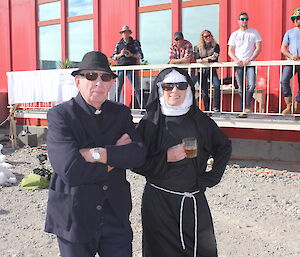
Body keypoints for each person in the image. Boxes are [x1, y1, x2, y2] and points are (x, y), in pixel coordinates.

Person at [44, 51, 146, 257]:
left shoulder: (121, 113)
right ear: (78, 81)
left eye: (105, 77)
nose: (98, 82)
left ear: (111, 83)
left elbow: (138, 155)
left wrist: (96, 153)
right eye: (91, 76)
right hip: (74, 217)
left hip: (115, 216)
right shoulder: (61, 115)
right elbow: (71, 171)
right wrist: (116, 156)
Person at [133, 67, 232, 257]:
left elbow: (223, 147)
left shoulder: (199, 120)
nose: (174, 91)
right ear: (160, 89)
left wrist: (211, 178)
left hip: (192, 200)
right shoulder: (150, 122)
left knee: (201, 250)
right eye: (168, 86)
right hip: (159, 202)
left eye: (181, 86)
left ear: (189, 89)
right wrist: (166, 157)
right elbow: (135, 162)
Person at [228, 12, 262, 116]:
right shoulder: (234, 34)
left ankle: (247, 106)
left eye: (246, 19)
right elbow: (230, 51)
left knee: (251, 85)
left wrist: (250, 59)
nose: (244, 21)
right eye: (242, 19)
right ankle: (243, 110)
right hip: (239, 64)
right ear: (238, 21)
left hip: (250, 63)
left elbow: (259, 48)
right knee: (240, 88)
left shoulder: (254, 32)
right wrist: (236, 59)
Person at [113, 25, 144, 107]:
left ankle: (142, 108)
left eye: (126, 32)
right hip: (121, 67)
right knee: (118, 88)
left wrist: (131, 55)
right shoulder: (118, 44)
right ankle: (115, 106)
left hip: (131, 67)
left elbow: (141, 55)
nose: (124, 34)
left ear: (129, 33)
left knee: (136, 88)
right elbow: (114, 57)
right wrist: (121, 54)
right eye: (123, 32)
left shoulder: (135, 43)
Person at [194, 30, 221, 112]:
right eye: (206, 36)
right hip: (201, 71)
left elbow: (214, 58)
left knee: (217, 85)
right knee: (204, 91)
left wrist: (202, 60)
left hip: (212, 69)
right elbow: (197, 60)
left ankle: (216, 106)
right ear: (202, 38)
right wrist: (206, 59)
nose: (208, 37)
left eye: (210, 35)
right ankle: (207, 109)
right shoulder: (197, 47)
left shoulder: (216, 46)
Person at [280, 7, 300, 114]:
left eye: (298, 18)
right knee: (284, 80)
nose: (297, 20)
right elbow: (283, 48)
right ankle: (289, 105)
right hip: (291, 61)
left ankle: (298, 105)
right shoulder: (290, 32)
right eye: (295, 19)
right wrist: (291, 56)